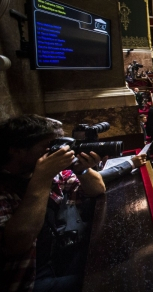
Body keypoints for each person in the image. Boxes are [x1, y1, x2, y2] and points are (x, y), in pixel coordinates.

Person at [0, 115, 106, 291]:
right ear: (16, 150)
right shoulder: (6, 188)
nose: (56, 152)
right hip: (29, 279)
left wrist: (81, 169)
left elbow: (97, 189)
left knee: (116, 260)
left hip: (59, 257)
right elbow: (17, 244)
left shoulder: (55, 174)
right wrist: (42, 179)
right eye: (49, 146)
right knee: (108, 282)